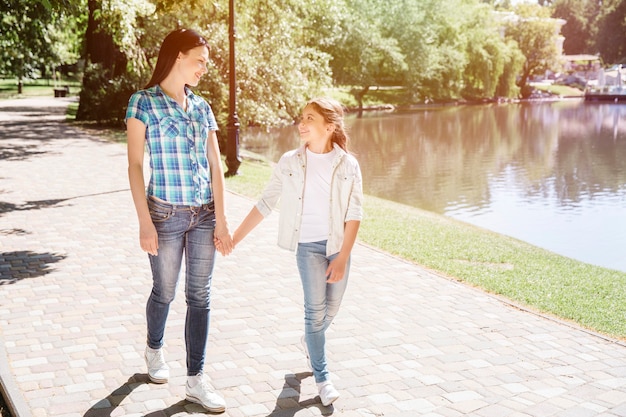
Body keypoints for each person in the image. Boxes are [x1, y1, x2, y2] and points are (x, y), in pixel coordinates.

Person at [228, 97, 363, 406]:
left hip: (337, 247)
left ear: (329, 127)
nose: (301, 123)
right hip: (307, 248)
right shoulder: (289, 161)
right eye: (302, 117)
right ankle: (323, 378)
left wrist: (342, 257)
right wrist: (235, 237)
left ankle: (310, 339)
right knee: (314, 313)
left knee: (332, 308)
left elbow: (354, 213)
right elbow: (265, 203)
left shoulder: (348, 164)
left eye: (310, 119)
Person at [126, 28, 233, 413]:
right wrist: (144, 221)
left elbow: (216, 167)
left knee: (200, 296)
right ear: (177, 56)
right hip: (165, 215)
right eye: (200, 60)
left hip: (204, 215)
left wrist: (221, 220)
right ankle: (154, 349)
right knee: (165, 291)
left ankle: (195, 380)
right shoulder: (143, 103)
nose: (205, 68)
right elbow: (136, 165)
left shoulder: (202, 107)